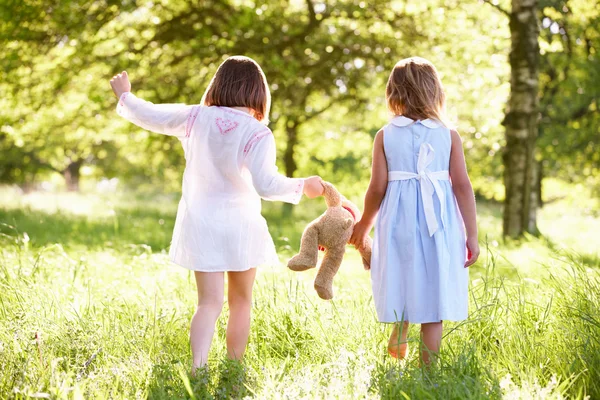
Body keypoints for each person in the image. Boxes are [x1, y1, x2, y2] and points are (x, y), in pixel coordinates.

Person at [109, 56, 323, 371]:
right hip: (241, 226)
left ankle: (197, 368)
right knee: (241, 302)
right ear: (259, 94)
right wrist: (303, 185)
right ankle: (234, 368)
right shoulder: (258, 133)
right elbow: (266, 184)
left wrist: (126, 96)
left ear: (217, 86)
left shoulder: (195, 118)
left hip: (202, 224)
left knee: (207, 304)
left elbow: (152, 115)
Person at [349, 57, 479, 365]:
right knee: (434, 292)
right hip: (440, 224)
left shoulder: (386, 135)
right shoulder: (448, 135)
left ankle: (401, 326)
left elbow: (377, 189)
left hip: (399, 221)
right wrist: (471, 235)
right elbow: (462, 186)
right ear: (435, 92)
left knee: (402, 274)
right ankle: (428, 375)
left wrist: (363, 227)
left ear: (393, 93)